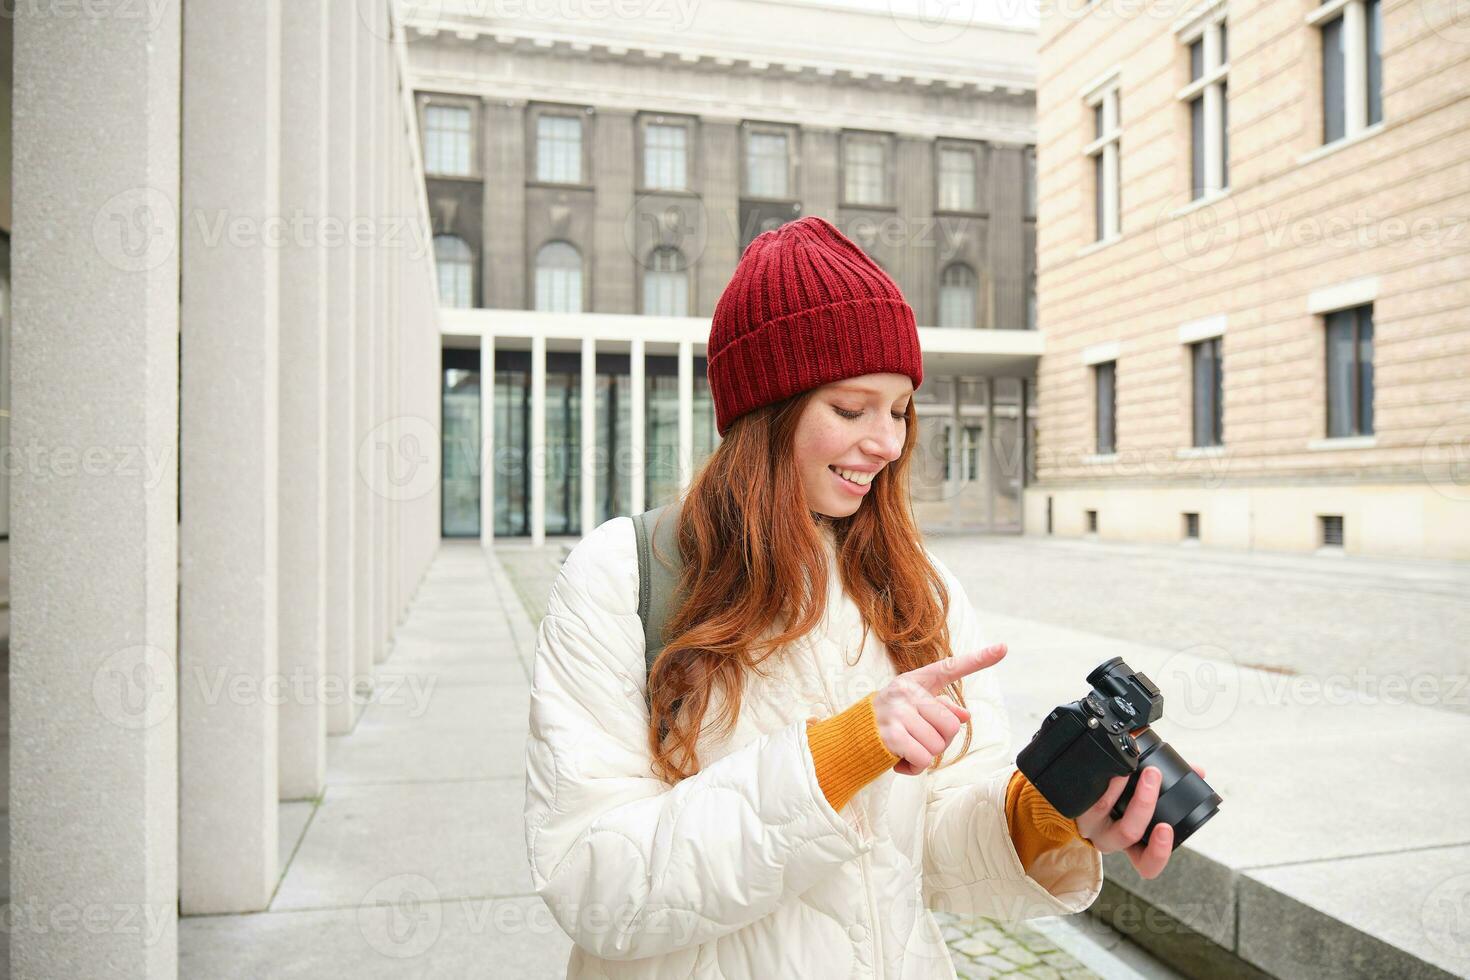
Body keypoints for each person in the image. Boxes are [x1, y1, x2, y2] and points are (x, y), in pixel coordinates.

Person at [524, 216, 1185, 978]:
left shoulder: (920, 587)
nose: (888, 442)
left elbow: (932, 848)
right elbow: (596, 885)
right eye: (850, 409)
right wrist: (840, 754)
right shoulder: (622, 575)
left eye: (900, 409)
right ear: (764, 414)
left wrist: (1048, 818)